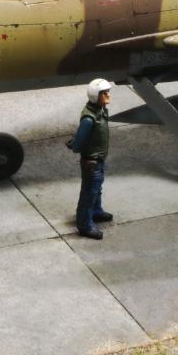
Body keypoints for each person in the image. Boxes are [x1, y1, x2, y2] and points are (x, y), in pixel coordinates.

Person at [72, 78, 114, 239]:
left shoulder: (100, 111)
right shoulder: (89, 119)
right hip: (91, 163)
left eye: (108, 92)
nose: (108, 95)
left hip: (99, 160)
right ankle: (84, 224)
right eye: (104, 93)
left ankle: (96, 211)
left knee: (97, 188)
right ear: (95, 96)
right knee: (89, 193)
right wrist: (76, 143)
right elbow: (77, 146)